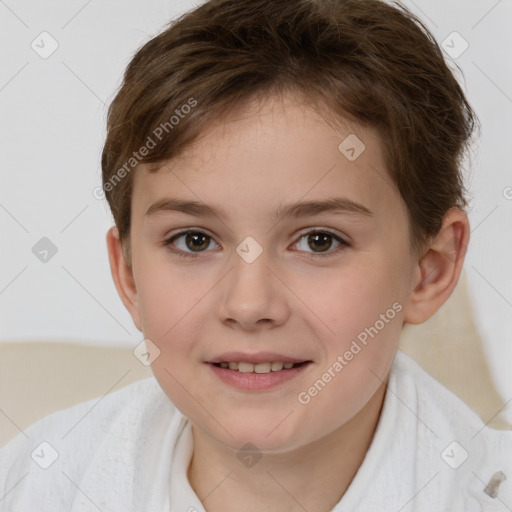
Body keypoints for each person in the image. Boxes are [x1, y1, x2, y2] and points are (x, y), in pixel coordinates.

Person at [1, 0, 511, 510]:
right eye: (194, 240)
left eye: (319, 241)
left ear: (429, 271)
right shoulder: (31, 485)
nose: (249, 305)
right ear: (130, 275)